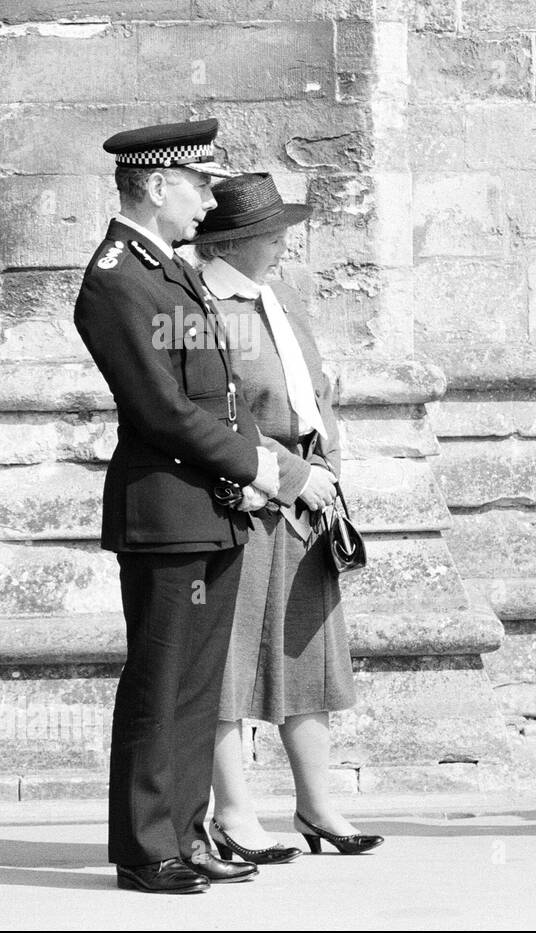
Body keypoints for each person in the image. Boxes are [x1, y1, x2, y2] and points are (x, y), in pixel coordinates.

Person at [75, 119, 280, 893]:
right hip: (166, 510)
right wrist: (265, 469)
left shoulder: (170, 268)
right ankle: (144, 848)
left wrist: (256, 465)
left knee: (197, 683)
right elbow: (163, 410)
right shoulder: (117, 278)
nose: (208, 200)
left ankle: (187, 833)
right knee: (161, 683)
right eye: (198, 185)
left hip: (208, 505)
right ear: (157, 186)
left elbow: (219, 392)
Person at [190, 173, 382, 860]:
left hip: (310, 496)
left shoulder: (276, 296)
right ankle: (235, 816)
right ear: (234, 242)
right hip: (248, 496)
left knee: (310, 655)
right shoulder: (204, 306)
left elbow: (313, 390)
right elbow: (220, 414)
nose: (283, 246)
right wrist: (294, 476)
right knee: (231, 664)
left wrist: (325, 468)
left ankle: (318, 807)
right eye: (272, 236)